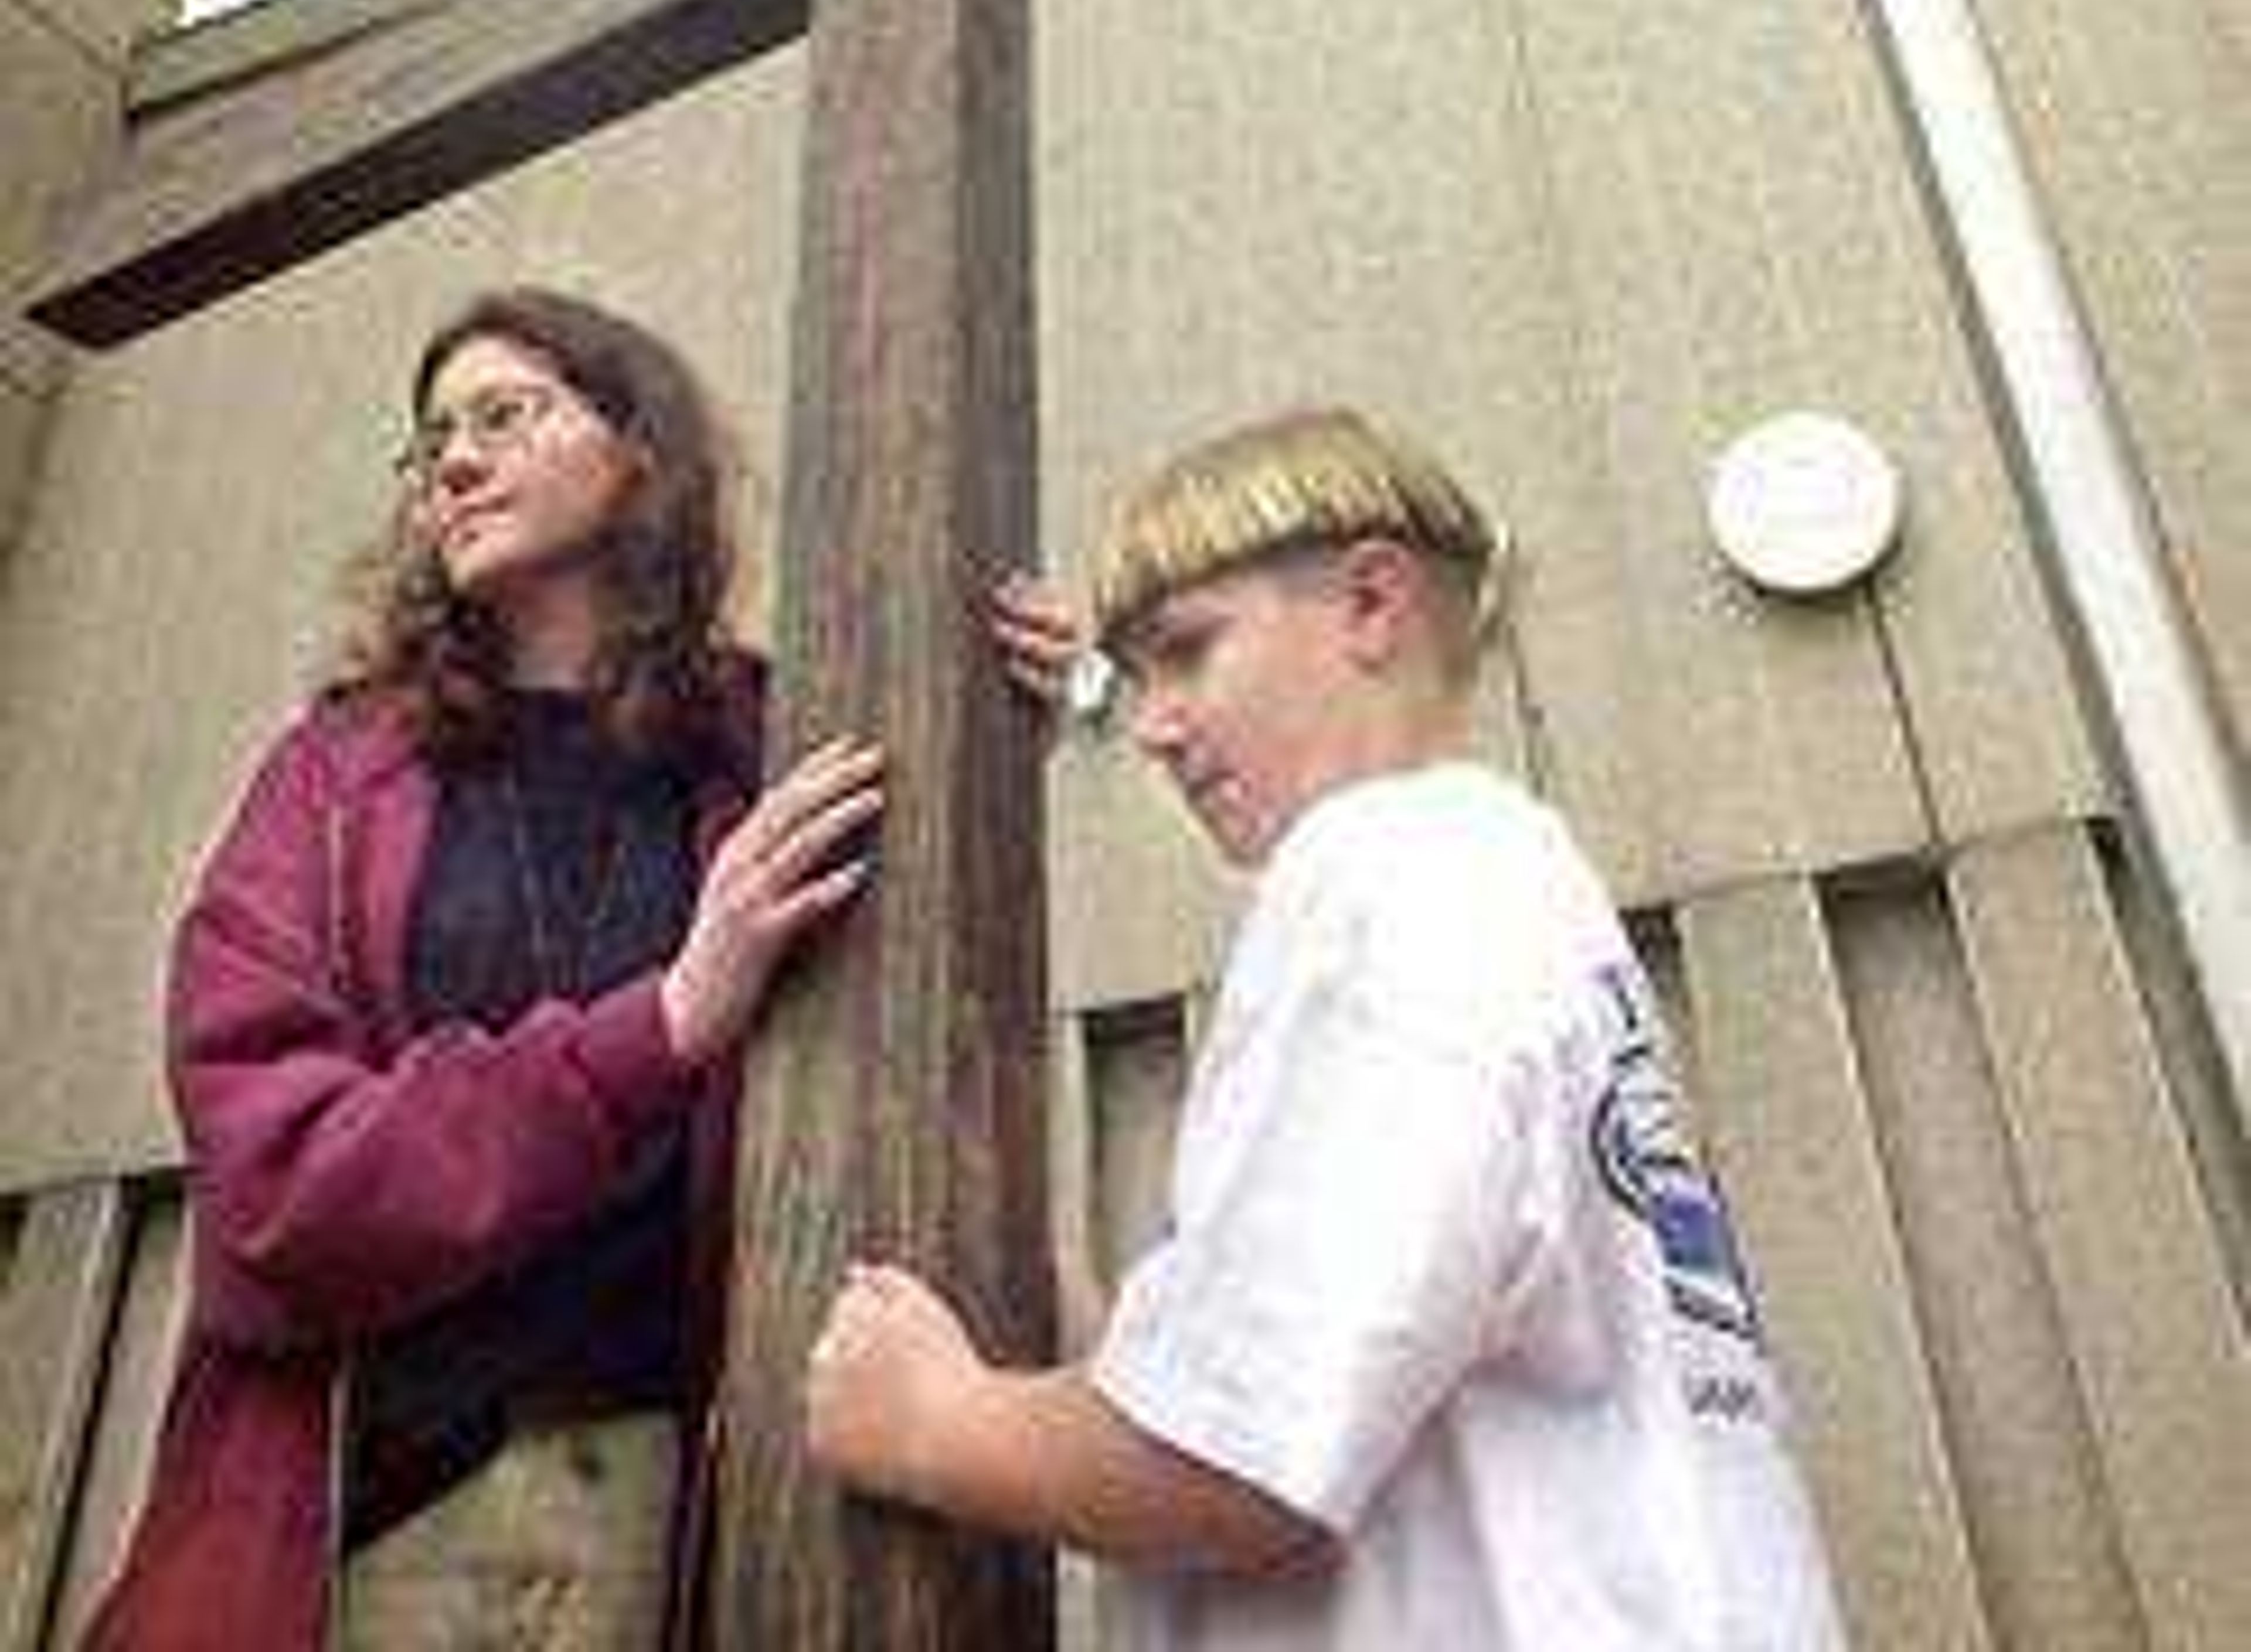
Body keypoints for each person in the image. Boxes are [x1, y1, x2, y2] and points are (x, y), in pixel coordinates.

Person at [810, 406, 1847, 1648]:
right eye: (1132, 677)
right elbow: (1316, 1392)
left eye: (1188, 652)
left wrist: (936, 1423)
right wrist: (1075, 1317)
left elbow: (1243, 1464)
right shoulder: (1506, 889)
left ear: (1370, 603)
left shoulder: (1389, 878)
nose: (1148, 725)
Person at [86, 285, 882, 1651]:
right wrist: (665, 1025)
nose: (453, 460)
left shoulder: (763, 744)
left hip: (662, 1506)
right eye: (433, 438)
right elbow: (277, 1174)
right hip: (360, 1508)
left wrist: (1005, 690)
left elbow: (895, 944)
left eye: (504, 414)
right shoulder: (331, 781)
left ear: (639, 450)